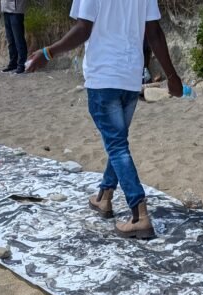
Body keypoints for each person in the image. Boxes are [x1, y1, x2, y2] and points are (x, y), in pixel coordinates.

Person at [25, 0, 183, 240]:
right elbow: (154, 33)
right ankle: (104, 197)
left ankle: (140, 215)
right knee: (118, 142)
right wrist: (172, 75)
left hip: (104, 77)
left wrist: (48, 52)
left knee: (117, 145)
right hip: (130, 77)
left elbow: (83, 29)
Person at [1, 0, 26, 75]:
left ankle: (22, 65)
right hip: (5, 7)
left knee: (18, 39)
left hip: (16, 9)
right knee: (10, 39)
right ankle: (13, 64)